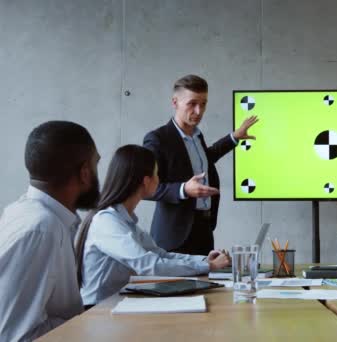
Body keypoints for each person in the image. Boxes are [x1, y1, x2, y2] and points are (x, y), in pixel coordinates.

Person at [75, 145, 231, 306]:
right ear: (146, 181)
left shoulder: (126, 221)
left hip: (117, 305)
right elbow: (151, 266)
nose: (159, 179)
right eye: (157, 174)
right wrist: (209, 266)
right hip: (96, 311)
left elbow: (161, 255)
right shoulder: (107, 221)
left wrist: (205, 260)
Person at [0, 121, 100, 341]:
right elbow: (16, 336)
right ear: (84, 173)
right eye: (95, 165)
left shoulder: (26, 213)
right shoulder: (42, 229)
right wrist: (95, 326)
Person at [143, 74, 258, 255]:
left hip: (204, 229)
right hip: (174, 236)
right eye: (192, 104)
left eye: (203, 104)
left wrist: (233, 138)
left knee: (207, 283)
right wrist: (183, 189)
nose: (199, 111)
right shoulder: (158, 139)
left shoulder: (197, 136)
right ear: (175, 102)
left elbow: (204, 160)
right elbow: (145, 188)